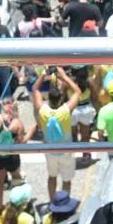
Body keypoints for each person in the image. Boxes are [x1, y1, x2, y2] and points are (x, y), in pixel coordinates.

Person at [33, 67, 81, 195]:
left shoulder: (42, 110)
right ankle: (64, 204)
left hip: (50, 149)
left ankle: (52, 201)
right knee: (66, 180)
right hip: (66, 150)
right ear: (61, 98)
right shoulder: (65, 111)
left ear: (48, 98)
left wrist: (42, 75)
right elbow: (77, 92)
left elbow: (35, 89)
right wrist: (64, 76)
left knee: (52, 177)